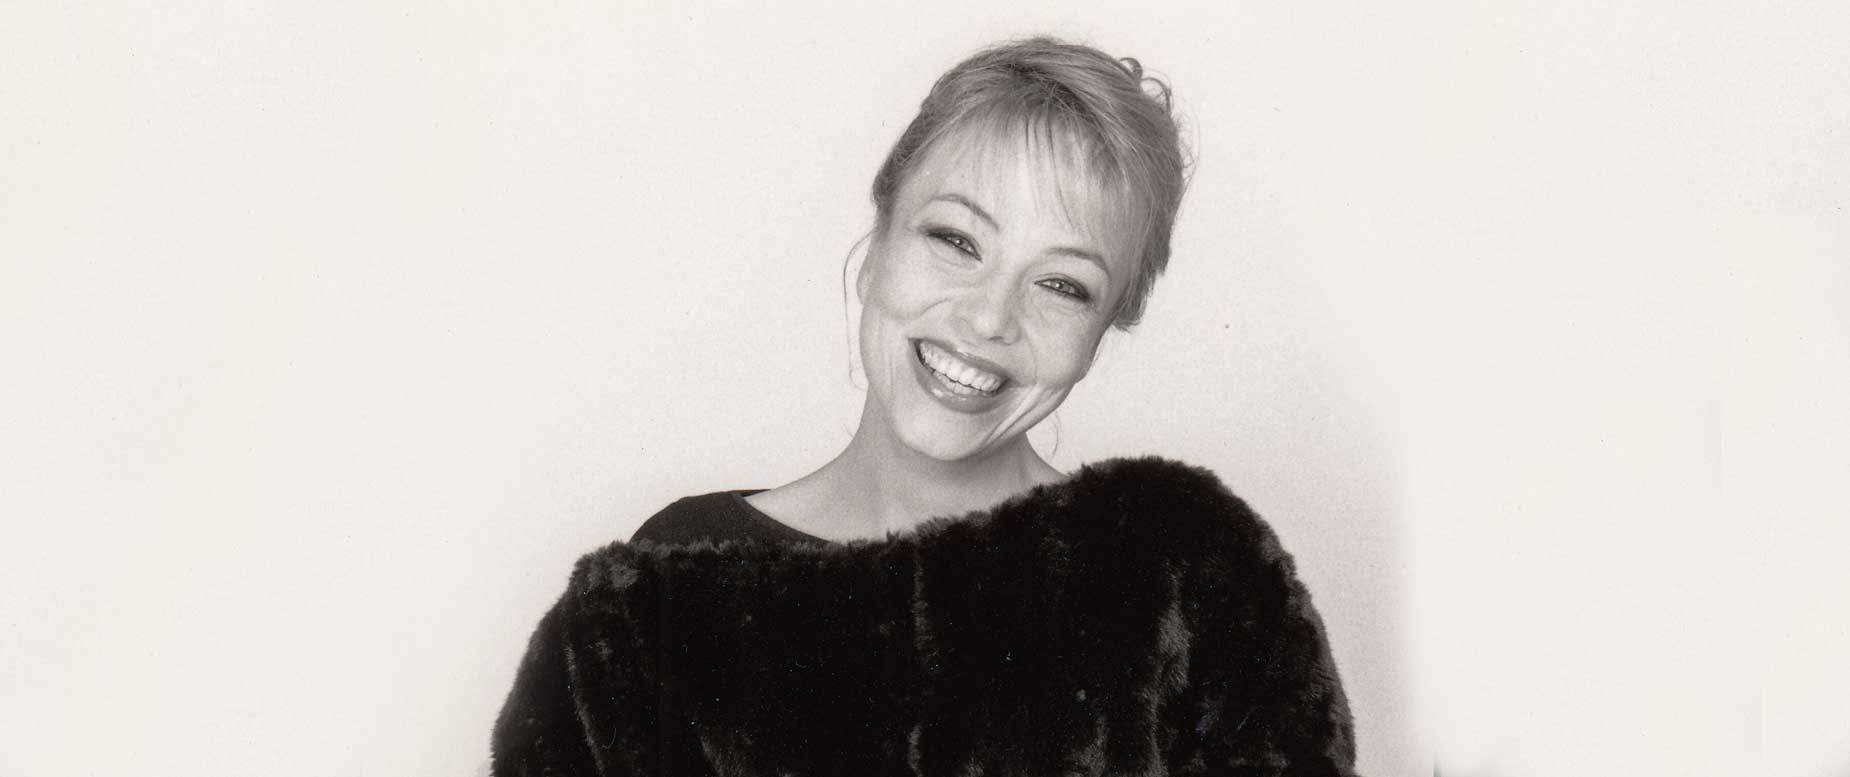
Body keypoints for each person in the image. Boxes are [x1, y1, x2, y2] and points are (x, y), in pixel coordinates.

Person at [493, 37, 1356, 776]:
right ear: (878, 244)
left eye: (1062, 284)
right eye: (955, 239)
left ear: (1108, 325)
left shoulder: (1188, 577)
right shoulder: (674, 579)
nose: (987, 318)